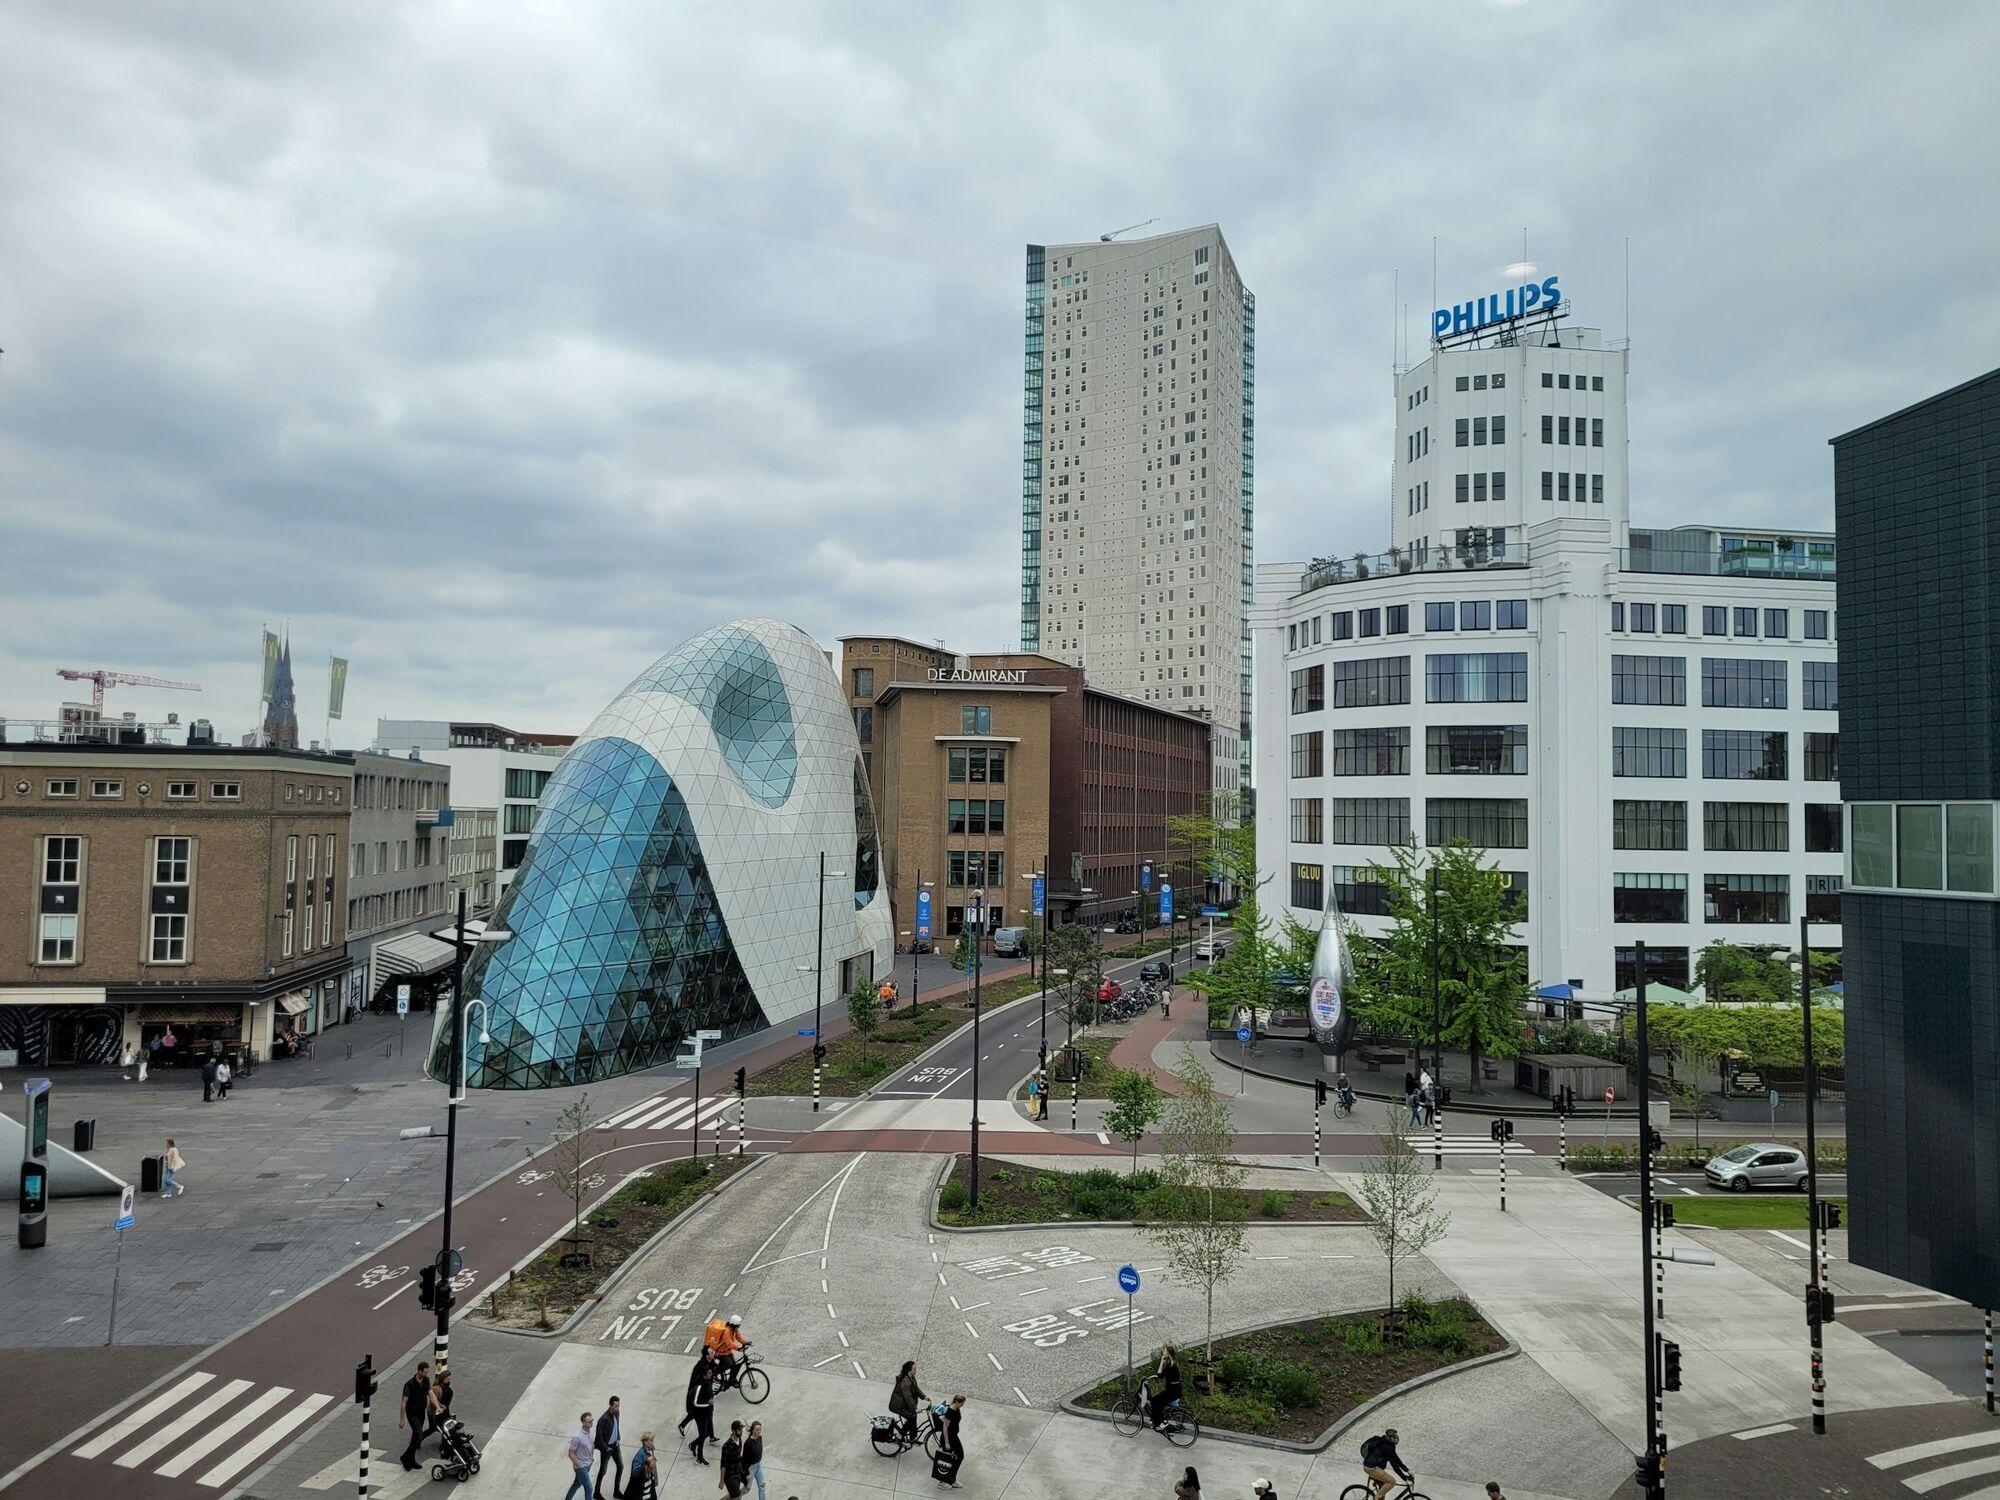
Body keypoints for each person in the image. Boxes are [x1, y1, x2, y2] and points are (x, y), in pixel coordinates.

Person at [1361, 1426, 1414, 1498]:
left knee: (1383, 1486)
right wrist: (1404, 1479)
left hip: (1372, 1466)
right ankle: (1376, 1498)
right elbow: (1395, 1466)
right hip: (1371, 1468)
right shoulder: (1387, 1447)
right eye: (1396, 1437)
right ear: (1392, 1438)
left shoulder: (1389, 1443)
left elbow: (1396, 1459)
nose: (1398, 1439)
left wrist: (1407, 1470)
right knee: (1392, 1481)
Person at [398, 1362, 432, 1470]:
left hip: (421, 1413)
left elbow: (431, 1394)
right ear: (419, 1371)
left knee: (415, 1437)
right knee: (419, 1436)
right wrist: (402, 1420)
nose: (426, 1374)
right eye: (425, 1372)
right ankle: (405, 1457)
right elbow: (403, 1402)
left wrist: (436, 1406)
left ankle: (411, 1460)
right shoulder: (409, 1385)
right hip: (412, 1414)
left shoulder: (426, 1381)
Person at [704, 1313, 750, 1389]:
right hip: (720, 1352)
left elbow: (739, 1337)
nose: (738, 1327)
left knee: (734, 1365)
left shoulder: (734, 1330)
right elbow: (729, 1343)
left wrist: (746, 1342)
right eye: (737, 1326)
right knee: (729, 1364)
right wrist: (738, 1348)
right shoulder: (726, 1331)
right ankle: (712, 1374)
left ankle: (732, 1380)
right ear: (733, 1325)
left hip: (727, 1351)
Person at [684, 1356, 716, 1463]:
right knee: (703, 1435)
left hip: (707, 1413)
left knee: (707, 1433)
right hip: (700, 1415)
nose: (711, 1374)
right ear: (704, 1375)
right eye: (709, 1373)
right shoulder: (699, 1386)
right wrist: (708, 1404)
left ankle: (693, 1445)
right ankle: (699, 1457)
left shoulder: (708, 1383)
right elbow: (695, 1402)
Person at [890, 1360, 928, 1444]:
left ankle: (912, 1438)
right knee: (912, 1417)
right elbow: (908, 1397)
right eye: (914, 1369)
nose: (916, 1370)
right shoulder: (905, 1382)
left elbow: (916, 1388)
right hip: (898, 1405)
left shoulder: (912, 1377)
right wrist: (915, 1408)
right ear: (909, 1370)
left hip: (904, 1404)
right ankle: (900, 1435)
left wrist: (924, 1397)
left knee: (913, 1416)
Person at [593, 1395, 623, 1499]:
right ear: (610, 1405)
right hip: (607, 1448)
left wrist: (618, 1438)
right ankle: (596, 1492)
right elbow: (599, 1436)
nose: (617, 1408)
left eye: (618, 1406)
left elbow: (616, 1426)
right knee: (603, 1470)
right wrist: (606, 1448)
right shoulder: (603, 1419)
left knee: (620, 1466)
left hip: (615, 1445)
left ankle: (616, 1491)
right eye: (615, 1406)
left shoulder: (617, 1413)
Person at [1147, 1345, 1183, 1428]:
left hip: (1172, 1392)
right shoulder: (1173, 1362)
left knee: (1155, 1401)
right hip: (1174, 1390)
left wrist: (1161, 1362)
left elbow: (1160, 1375)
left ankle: (1161, 1422)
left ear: (1168, 1353)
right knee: (1156, 1400)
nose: (1163, 1352)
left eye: (1165, 1351)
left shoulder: (1169, 1365)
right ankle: (1154, 1420)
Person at [934, 1395, 965, 1487]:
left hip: (953, 1436)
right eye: (962, 1404)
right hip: (949, 1438)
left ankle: (951, 1478)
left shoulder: (956, 1409)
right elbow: (945, 1428)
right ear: (957, 1402)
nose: (962, 1405)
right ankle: (943, 1482)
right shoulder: (951, 1411)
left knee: (956, 1457)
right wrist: (947, 1442)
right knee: (948, 1460)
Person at [564, 1412, 595, 1500]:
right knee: (589, 1488)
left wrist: (591, 1459)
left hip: (588, 1464)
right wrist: (580, 1465)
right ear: (583, 1422)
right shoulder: (577, 1437)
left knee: (577, 1484)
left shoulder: (592, 1432)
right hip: (581, 1467)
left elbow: (592, 1446)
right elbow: (571, 1453)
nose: (592, 1423)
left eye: (592, 1420)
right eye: (589, 1421)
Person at [620, 1430, 658, 1500]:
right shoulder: (640, 1455)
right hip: (641, 1483)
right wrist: (645, 1467)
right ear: (645, 1442)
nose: (653, 1442)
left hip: (648, 1480)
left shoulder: (650, 1450)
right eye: (651, 1440)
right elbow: (634, 1473)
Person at [720, 1421, 749, 1499]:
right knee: (738, 1497)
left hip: (738, 1472)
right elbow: (723, 1465)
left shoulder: (739, 1439)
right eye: (739, 1430)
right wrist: (721, 1481)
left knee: (733, 1495)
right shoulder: (727, 1445)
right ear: (733, 1431)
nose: (741, 1431)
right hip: (730, 1475)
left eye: (741, 1429)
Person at [743, 1420, 766, 1500]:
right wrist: (746, 1472)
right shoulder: (748, 1443)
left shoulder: (760, 1438)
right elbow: (744, 1459)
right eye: (756, 1429)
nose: (758, 1431)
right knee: (747, 1489)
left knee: (762, 1486)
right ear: (752, 1430)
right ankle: (735, 1496)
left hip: (758, 1465)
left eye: (760, 1429)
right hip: (751, 1467)